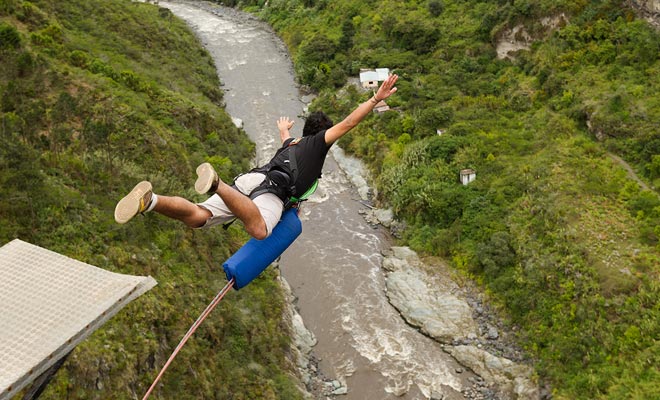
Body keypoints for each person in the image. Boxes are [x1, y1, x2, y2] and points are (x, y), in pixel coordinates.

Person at [114, 74, 398, 239]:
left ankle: (150, 201)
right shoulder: (318, 144)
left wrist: (283, 129)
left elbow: (286, 139)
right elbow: (348, 123)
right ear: (324, 134)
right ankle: (216, 184)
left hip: (250, 180)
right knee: (260, 230)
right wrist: (375, 100)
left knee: (198, 216)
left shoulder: (293, 143)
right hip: (270, 191)